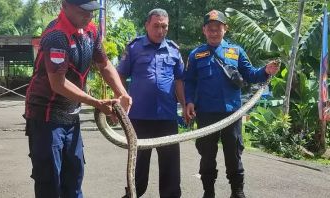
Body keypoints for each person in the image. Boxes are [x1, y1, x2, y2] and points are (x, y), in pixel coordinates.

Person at [24, 0, 132, 197]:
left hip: (71, 116)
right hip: (46, 117)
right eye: (83, 11)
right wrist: (96, 103)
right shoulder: (57, 35)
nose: (89, 16)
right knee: (50, 182)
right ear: (65, 6)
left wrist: (122, 93)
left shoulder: (91, 30)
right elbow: (58, 83)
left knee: (74, 178)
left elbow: (105, 65)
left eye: (92, 11)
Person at [184, 10, 280, 198]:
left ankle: (237, 192)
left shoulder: (236, 52)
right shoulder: (196, 55)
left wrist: (266, 70)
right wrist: (189, 102)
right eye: (210, 29)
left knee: (233, 154)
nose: (214, 32)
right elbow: (190, 81)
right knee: (207, 156)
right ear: (204, 30)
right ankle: (208, 192)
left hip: (232, 114)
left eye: (218, 28)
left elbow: (252, 74)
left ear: (225, 29)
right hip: (206, 115)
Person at [117, 8, 186, 198]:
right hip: (139, 117)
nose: (160, 31)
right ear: (147, 25)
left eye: (164, 26)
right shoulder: (134, 48)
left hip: (167, 117)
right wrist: (121, 101)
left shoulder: (173, 50)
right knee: (138, 164)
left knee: (170, 165)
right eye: (156, 26)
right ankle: (132, 193)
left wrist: (185, 104)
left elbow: (179, 79)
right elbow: (120, 75)